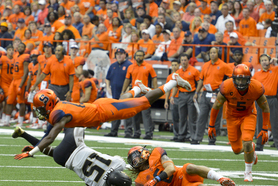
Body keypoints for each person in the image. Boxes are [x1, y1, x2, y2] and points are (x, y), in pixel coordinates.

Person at [12, 73, 192, 160]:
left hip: (104, 111)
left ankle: (172, 82)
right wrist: (35, 146)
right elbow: (48, 136)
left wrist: (33, 152)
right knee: (124, 101)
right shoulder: (58, 108)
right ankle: (136, 87)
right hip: (100, 106)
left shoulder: (58, 114)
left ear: (48, 105)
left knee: (143, 103)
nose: (40, 112)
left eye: (41, 108)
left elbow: (51, 137)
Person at [13, 127, 132, 186]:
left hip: (75, 143)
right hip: (63, 158)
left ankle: (48, 112)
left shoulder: (118, 163)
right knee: (52, 152)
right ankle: (23, 134)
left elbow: (108, 157)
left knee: (69, 117)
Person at [208, 64, 269, 181]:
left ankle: (248, 172)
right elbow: (216, 106)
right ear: (233, 78)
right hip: (231, 117)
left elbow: (265, 107)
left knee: (246, 141)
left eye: (243, 79)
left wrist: (265, 128)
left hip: (248, 115)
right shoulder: (227, 86)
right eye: (238, 79)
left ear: (249, 79)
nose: (240, 82)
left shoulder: (256, 87)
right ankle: (251, 150)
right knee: (236, 150)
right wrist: (211, 125)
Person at [127, 146, 250, 186]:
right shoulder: (139, 181)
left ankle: (220, 178)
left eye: (137, 155)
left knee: (189, 167)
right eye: (134, 159)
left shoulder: (156, 153)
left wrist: (155, 179)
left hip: (183, 174)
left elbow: (171, 169)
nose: (137, 159)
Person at [253, 54, 278, 152]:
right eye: (262, 60)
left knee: (276, 123)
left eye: (266, 60)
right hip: (261, 99)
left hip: (273, 99)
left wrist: (277, 60)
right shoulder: (256, 74)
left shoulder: (276, 70)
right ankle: (259, 145)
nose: (264, 62)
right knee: (260, 123)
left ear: (270, 61)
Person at [193, 47, 232, 145]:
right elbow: (201, 80)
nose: (212, 54)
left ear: (217, 53)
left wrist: (224, 87)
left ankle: (212, 139)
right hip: (206, 92)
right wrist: (197, 92)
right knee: (201, 116)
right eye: (211, 53)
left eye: (214, 52)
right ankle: (197, 138)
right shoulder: (205, 65)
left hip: (217, 93)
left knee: (215, 117)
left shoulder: (223, 65)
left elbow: (232, 77)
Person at [121, 50, 158, 139]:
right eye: (137, 55)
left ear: (144, 56)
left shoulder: (149, 67)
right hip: (135, 92)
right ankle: (136, 132)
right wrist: (123, 91)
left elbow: (154, 78)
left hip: (145, 93)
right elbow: (127, 79)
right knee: (135, 114)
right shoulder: (130, 67)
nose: (139, 57)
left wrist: (156, 91)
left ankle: (149, 133)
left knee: (146, 114)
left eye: (140, 55)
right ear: (135, 56)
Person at [104, 48, 133, 138]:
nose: (119, 55)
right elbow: (108, 78)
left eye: (121, 54)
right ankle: (113, 131)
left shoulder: (129, 65)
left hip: (126, 93)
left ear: (125, 55)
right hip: (115, 93)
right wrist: (108, 87)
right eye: (117, 54)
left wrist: (127, 90)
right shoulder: (113, 65)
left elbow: (132, 78)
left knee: (127, 112)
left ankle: (128, 132)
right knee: (115, 112)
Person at [172, 54, 200, 143]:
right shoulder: (178, 72)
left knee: (192, 117)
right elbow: (176, 85)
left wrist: (197, 93)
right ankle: (181, 135)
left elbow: (199, 82)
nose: (183, 62)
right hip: (181, 95)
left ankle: (193, 136)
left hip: (191, 94)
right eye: (182, 60)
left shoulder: (194, 71)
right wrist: (172, 96)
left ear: (188, 60)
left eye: (185, 60)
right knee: (182, 116)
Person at [3, 43, 29, 127]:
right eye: (19, 47)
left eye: (22, 47)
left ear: (25, 49)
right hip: (14, 81)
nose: (20, 48)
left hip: (20, 81)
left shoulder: (25, 57)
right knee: (9, 101)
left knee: (21, 102)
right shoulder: (16, 56)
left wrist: (21, 85)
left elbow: (25, 73)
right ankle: (7, 121)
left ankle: (20, 122)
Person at [165, 60, 180, 141]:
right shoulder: (169, 77)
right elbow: (168, 89)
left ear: (178, 65)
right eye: (173, 65)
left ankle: (182, 134)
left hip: (180, 97)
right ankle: (176, 134)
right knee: (174, 118)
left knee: (182, 117)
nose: (174, 66)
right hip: (172, 99)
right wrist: (166, 101)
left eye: (176, 65)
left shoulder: (181, 74)